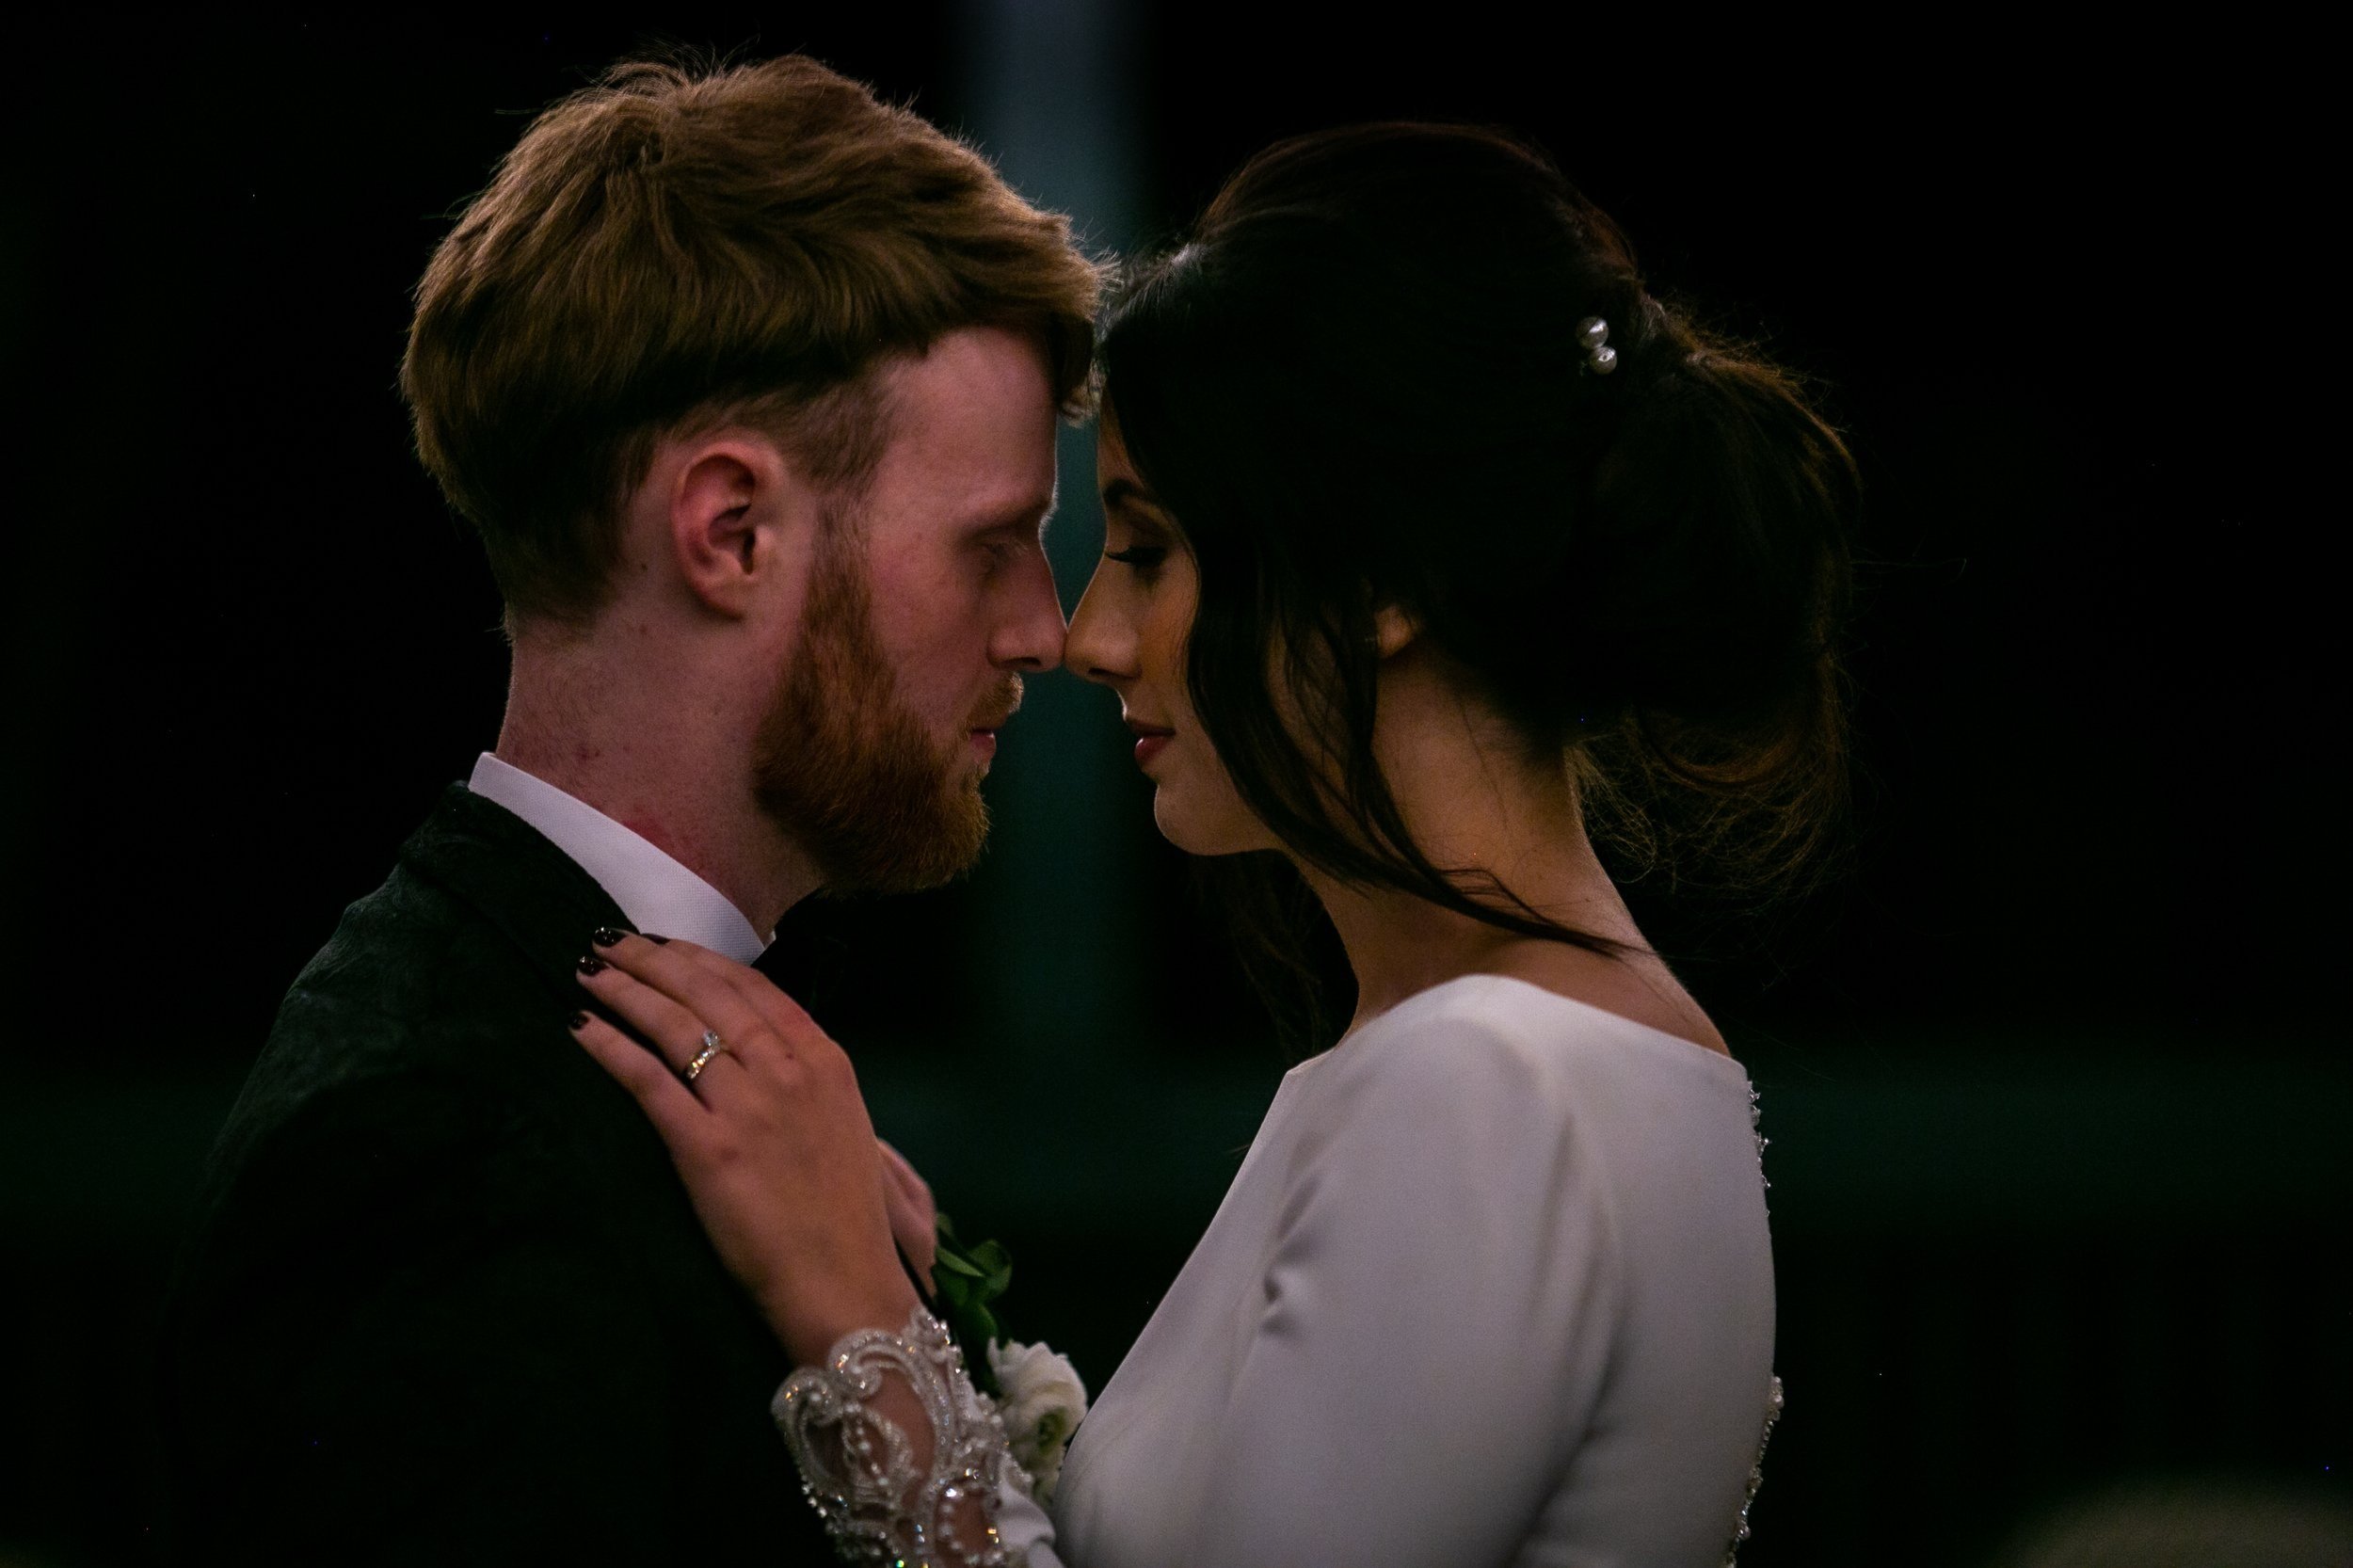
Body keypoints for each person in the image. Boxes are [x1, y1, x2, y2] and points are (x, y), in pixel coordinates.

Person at [570, 122, 1861, 1566]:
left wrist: (850, 1319)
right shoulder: (1586, 1055)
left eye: (1152, 547)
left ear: (1379, 576)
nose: (1089, 635)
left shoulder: (1487, 1081)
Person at [157, 56, 1099, 1560]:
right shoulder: (439, 1145)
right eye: (994, 542)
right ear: (730, 530)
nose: (1043, 629)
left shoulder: (588, 1047)